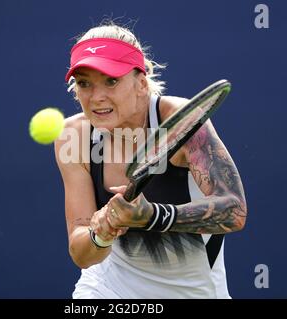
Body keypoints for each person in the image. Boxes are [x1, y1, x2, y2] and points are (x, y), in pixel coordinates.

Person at [54, 22, 247, 299]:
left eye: (111, 80)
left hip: (194, 293)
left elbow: (234, 210)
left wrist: (152, 216)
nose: (97, 97)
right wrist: (102, 233)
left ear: (141, 83)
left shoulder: (179, 121)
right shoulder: (73, 136)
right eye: (84, 83)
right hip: (107, 289)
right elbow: (81, 254)